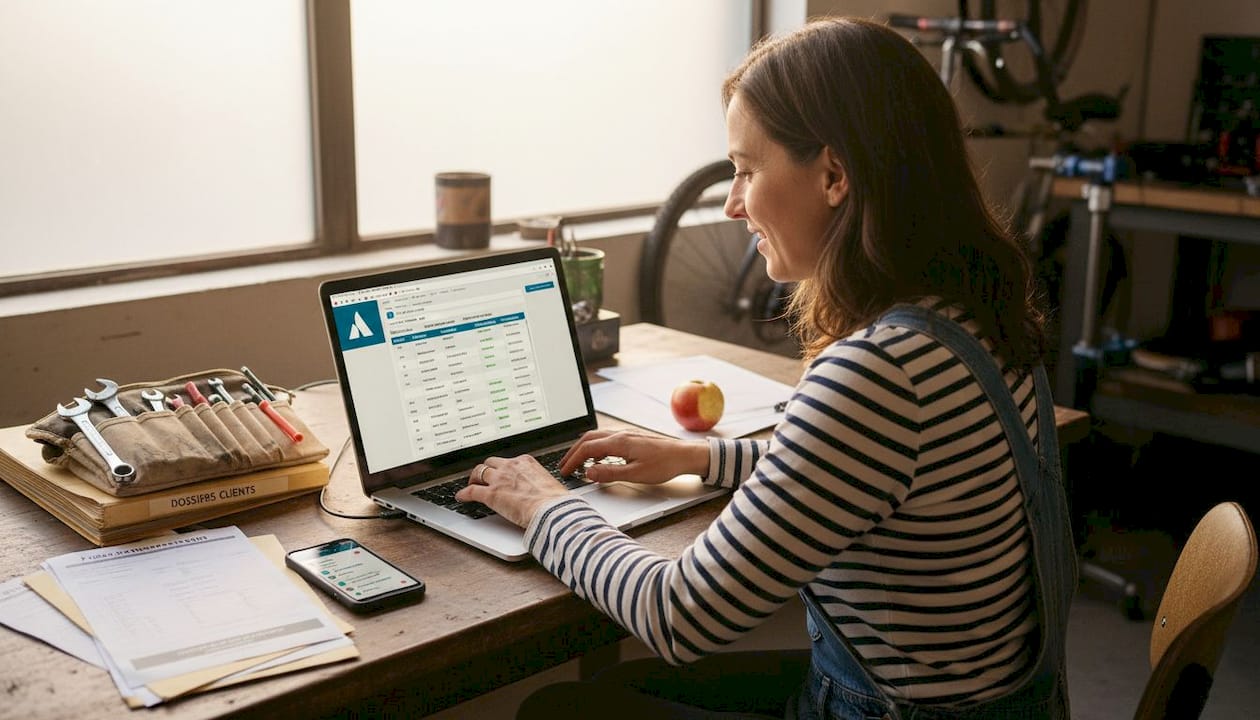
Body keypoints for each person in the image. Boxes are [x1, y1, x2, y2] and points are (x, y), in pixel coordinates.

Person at [455, 16, 1076, 720]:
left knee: (561, 710)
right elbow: (870, 473)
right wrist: (699, 456)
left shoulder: (876, 374)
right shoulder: (972, 317)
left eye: (746, 171)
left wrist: (543, 507)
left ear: (835, 175)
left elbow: (679, 616)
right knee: (596, 696)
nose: (731, 202)